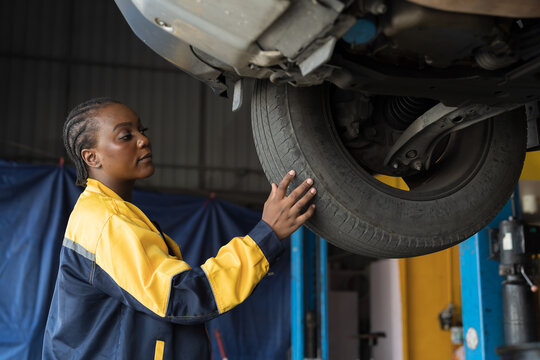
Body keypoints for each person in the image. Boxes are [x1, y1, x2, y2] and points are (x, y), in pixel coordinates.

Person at [42, 97, 317, 359]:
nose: (143, 140)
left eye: (142, 130)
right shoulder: (105, 221)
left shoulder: (113, 214)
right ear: (91, 158)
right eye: (126, 136)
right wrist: (265, 236)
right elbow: (180, 296)